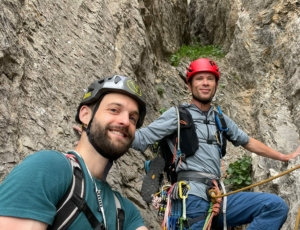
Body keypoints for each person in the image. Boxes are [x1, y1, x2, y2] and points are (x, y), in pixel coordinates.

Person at [131, 58, 300, 229]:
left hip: (217, 197)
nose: (205, 83)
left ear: (216, 85)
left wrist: (285, 157)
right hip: (191, 198)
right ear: (189, 86)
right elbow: (141, 138)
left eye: (210, 79)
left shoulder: (220, 119)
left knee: (275, 206)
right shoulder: (176, 115)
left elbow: (247, 141)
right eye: (199, 78)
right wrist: (112, 131)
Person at [0, 75, 148, 230]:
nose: (125, 121)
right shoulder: (48, 169)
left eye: (132, 118)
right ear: (85, 115)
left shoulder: (126, 213)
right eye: (114, 110)